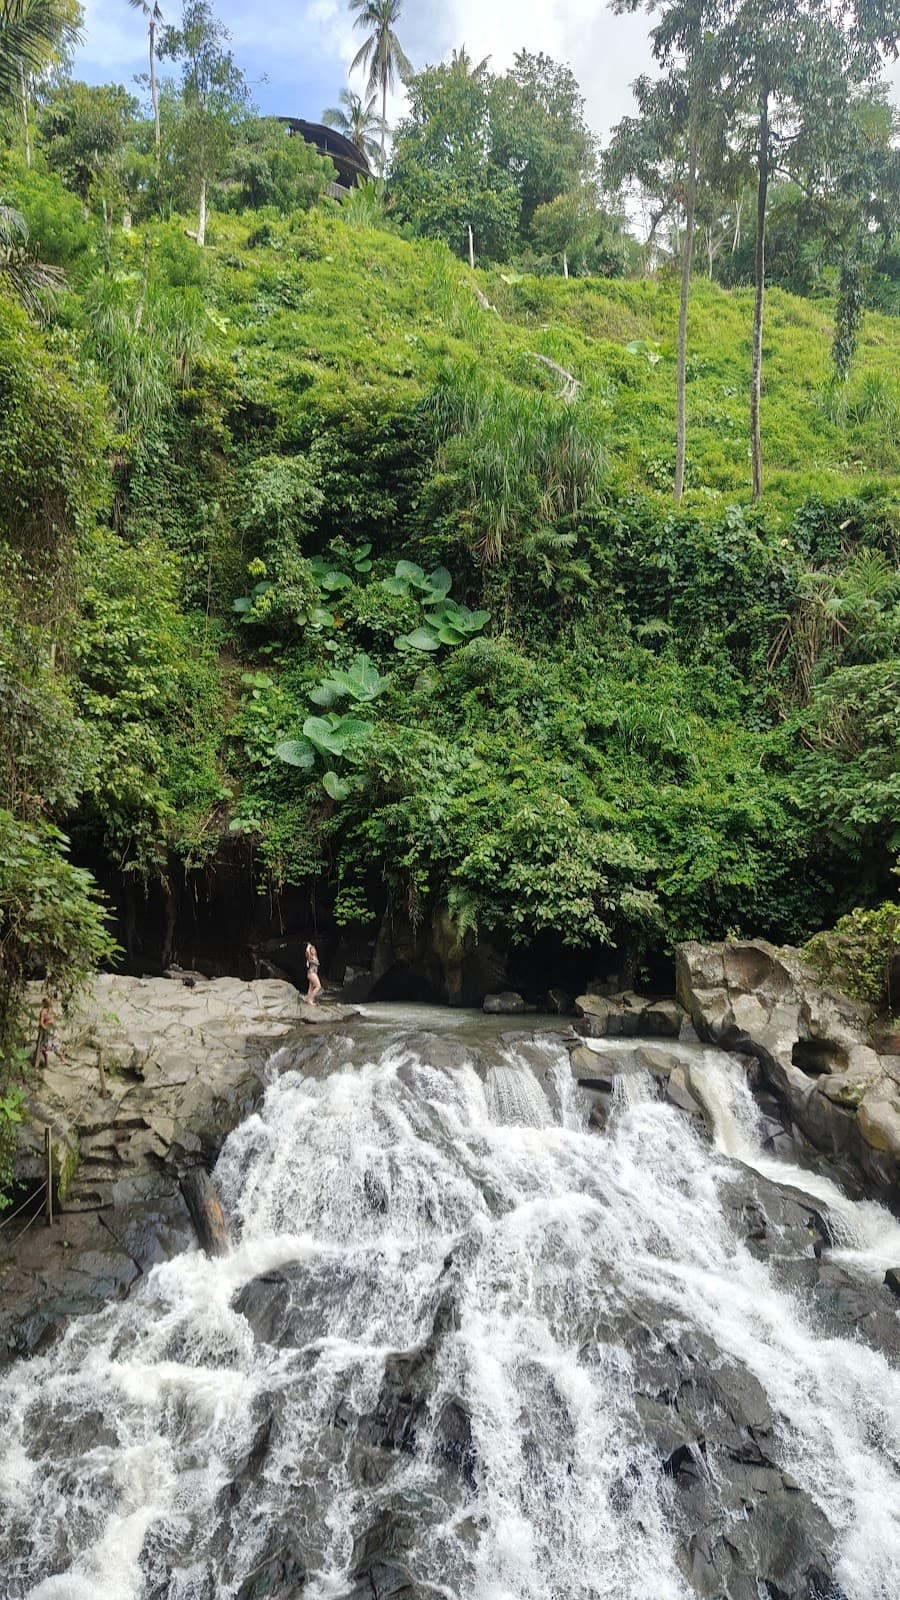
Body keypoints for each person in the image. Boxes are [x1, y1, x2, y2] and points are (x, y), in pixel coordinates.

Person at [38, 996, 67, 1067]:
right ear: (45, 1003)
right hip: (47, 1032)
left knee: (56, 1047)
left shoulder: (50, 1009)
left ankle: (63, 1059)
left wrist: (54, 1025)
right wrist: (46, 1028)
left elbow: (53, 1019)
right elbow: (41, 1023)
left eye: (50, 1001)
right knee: (45, 1048)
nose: (50, 1003)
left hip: (53, 1031)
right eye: (48, 1002)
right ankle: (47, 1063)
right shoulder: (43, 1011)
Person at [305, 941, 322, 1005]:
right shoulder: (310, 957)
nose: (313, 951)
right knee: (318, 986)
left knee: (311, 988)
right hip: (311, 973)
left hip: (313, 973)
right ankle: (310, 1000)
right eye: (312, 950)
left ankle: (309, 1000)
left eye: (314, 949)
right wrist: (309, 946)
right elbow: (307, 952)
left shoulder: (315, 957)